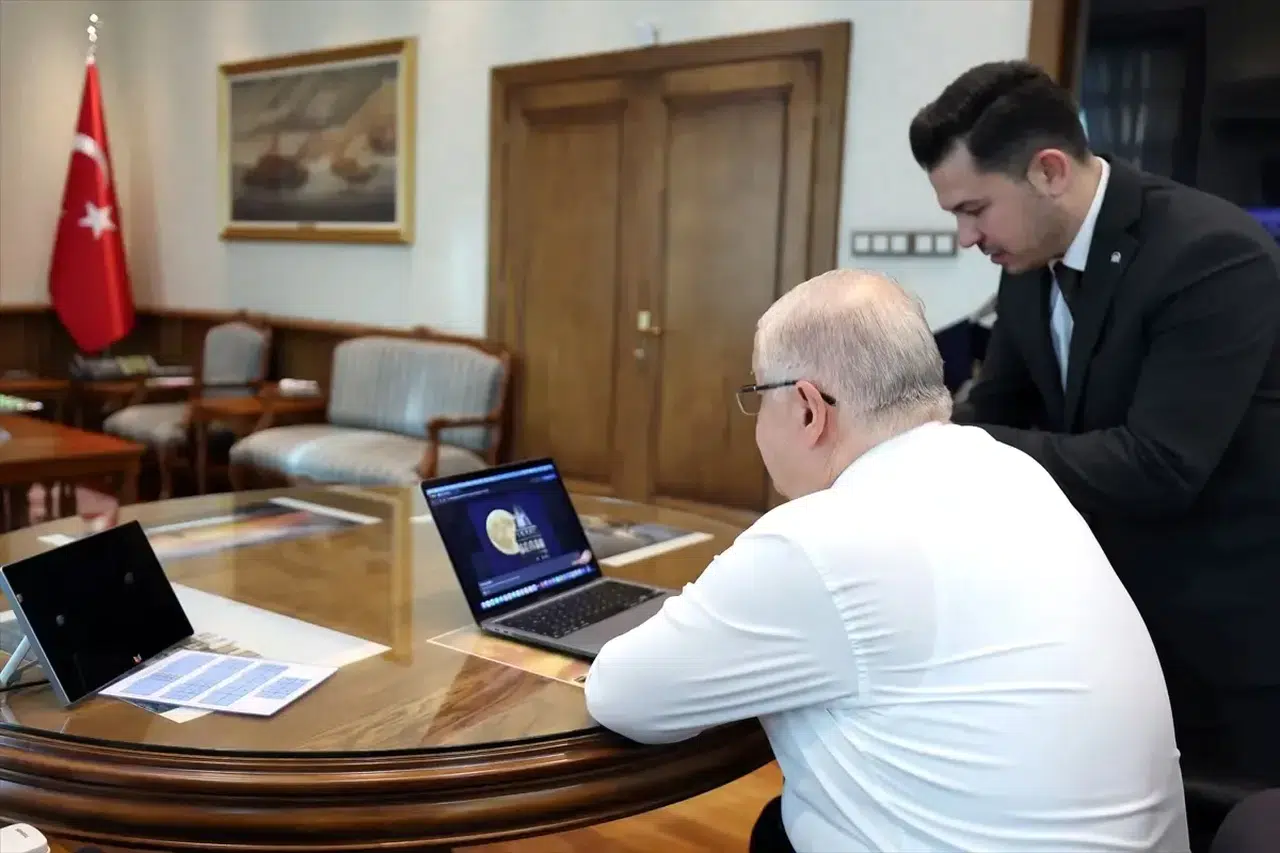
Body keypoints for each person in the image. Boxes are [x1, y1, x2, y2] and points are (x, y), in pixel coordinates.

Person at [584, 269, 1189, 853]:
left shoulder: (822, 538)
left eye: (758, 396)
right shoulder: (1014, 469)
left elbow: (625, 695)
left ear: (808, 409)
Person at [908, 60, 1280, 787]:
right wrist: (916, 448)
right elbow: (997, 406)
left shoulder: (1212, 255)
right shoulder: (1026, 263)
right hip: (1099, 618)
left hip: (1223, 635)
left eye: (975, 209)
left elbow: (1158, 465)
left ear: (1048, 170)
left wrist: (951, 445)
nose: (964, 236)